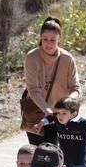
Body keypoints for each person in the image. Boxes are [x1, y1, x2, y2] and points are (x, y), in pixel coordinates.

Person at [23, 17, 81, 145]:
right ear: (40, 38)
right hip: (37, 112)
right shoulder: (32, 57)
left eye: (53, 40)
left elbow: (75, 88)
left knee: (55, 153)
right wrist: (47, 110)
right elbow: (33, 89)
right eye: (45, 39)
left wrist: (68, 104)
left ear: (59, 39)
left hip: (60, 115)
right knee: (37, 153)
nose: (48, 44)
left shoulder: (67, 59)